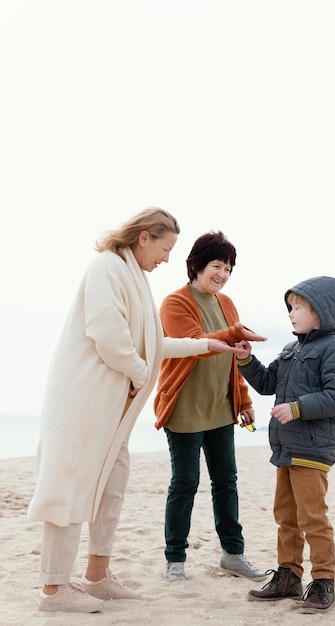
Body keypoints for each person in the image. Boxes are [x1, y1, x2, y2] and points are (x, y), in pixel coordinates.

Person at [27, 208, 247, 614]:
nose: (166, 259)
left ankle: (97, 575)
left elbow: (150, 342)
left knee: (111, 489)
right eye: (165, 248)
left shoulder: (136, 278)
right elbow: (108, 335)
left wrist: (208, 345)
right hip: (85, 403)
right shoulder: (107, 268)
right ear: (144, 237)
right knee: (70, 487)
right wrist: (139, 373)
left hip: (115, 413)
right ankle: (54, 589)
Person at [235, 276, 335, 613]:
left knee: (312, 517)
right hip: (285, 449)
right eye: (290, 307)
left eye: (298, 307)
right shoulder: (291, 349)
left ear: (320, 311)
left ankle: (323, 581)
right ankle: (288, 576)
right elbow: (267, 382)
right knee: (286, 516)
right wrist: (247, 360)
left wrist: (297, 408)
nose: (291, 313)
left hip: (313, 450)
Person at [153, 230, 268, 582]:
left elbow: (234, 358)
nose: (222, 274)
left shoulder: (227, 304)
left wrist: (244, 400)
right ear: (197, 265)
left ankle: (233, 554)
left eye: (228, 268)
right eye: (217, 265)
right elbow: (193, 343)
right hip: (185, 409)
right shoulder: (175, 302)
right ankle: (175, 559)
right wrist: (233, 333)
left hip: (221, 409)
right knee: (185, 483)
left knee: (226, 482)